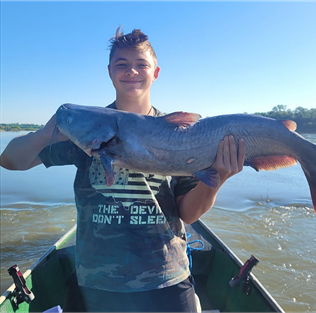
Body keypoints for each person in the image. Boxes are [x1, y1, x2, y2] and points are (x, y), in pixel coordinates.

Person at [0, 28, 245, 312]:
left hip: (166, 275)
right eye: (121, 65)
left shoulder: (183, 135)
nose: (132, 71)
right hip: (96, 281)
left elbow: (188, 214)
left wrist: (219, 177)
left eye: (141, 64)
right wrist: (46, 132)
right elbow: (10, 161)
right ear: (109, 72)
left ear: (156, 72)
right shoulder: (85, 128)